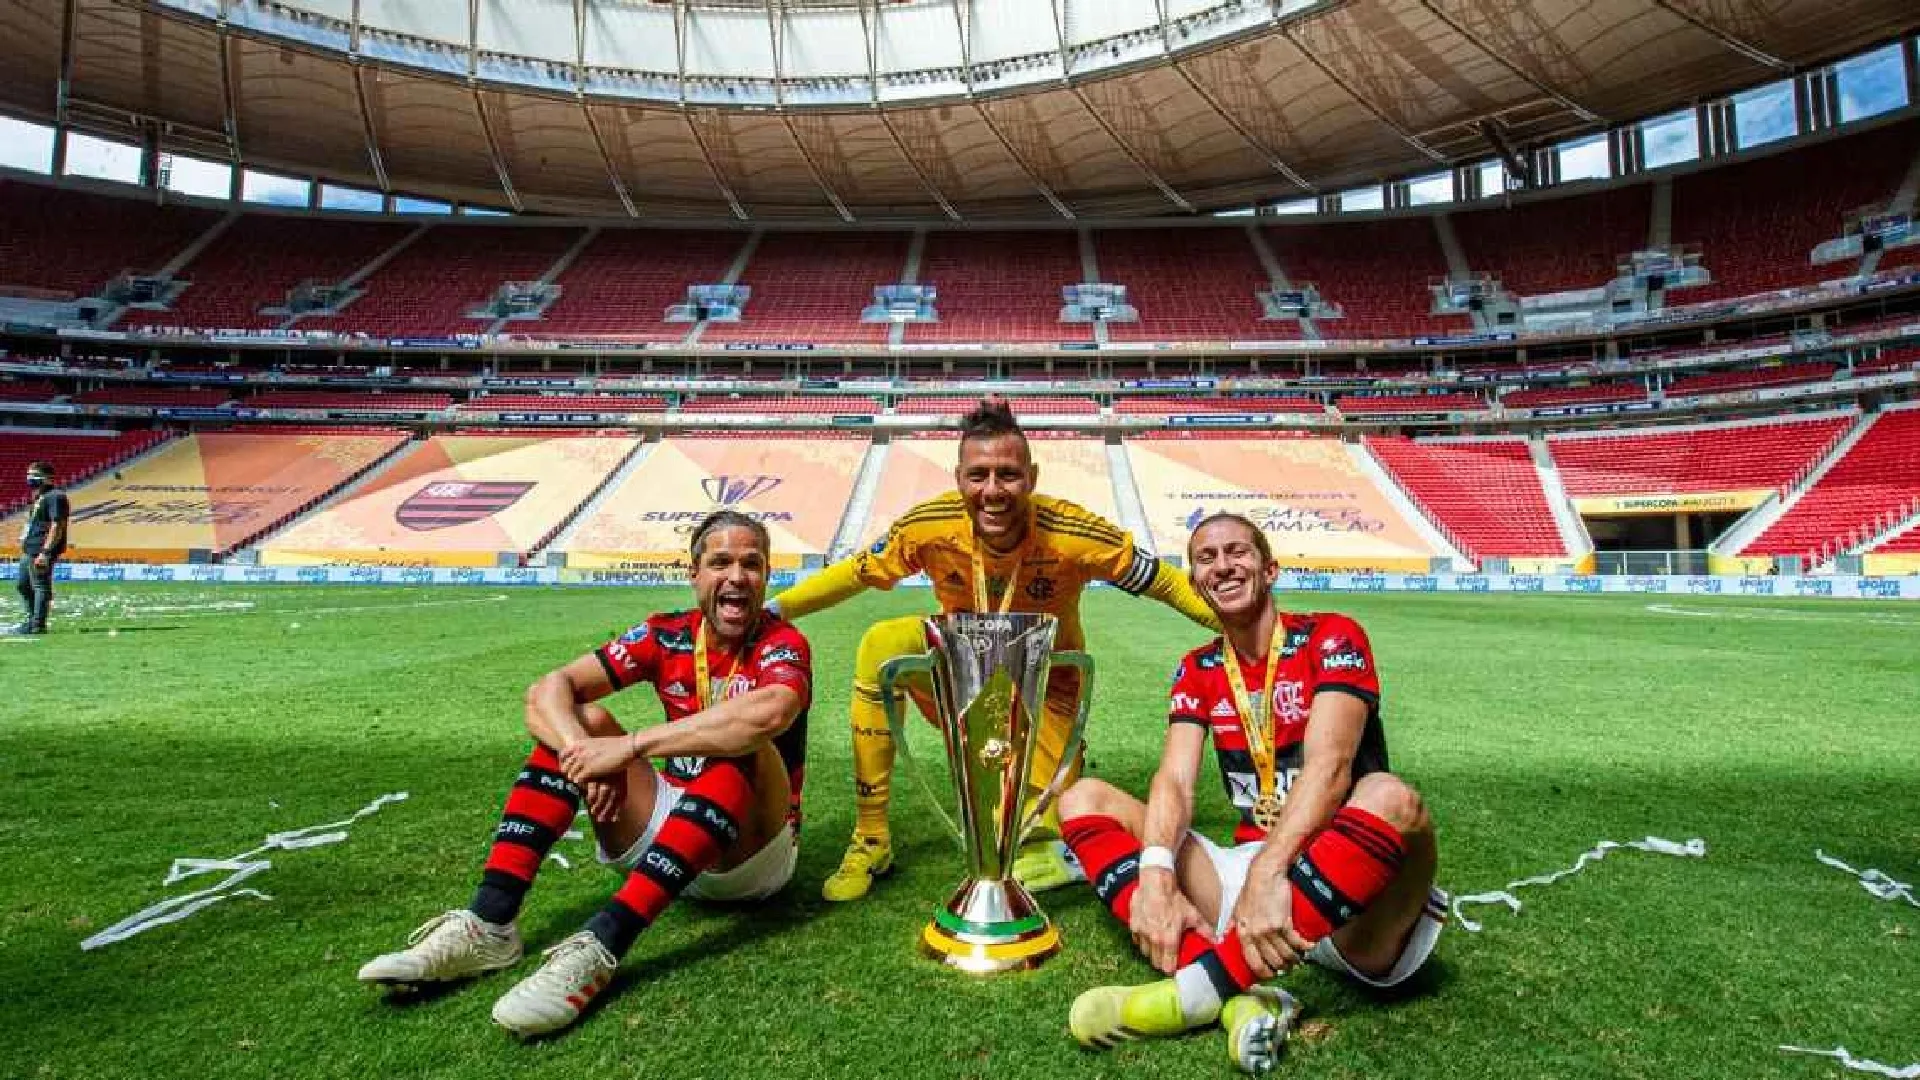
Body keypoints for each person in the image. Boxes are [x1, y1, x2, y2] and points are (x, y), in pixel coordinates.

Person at [357, 510, 812, 1038]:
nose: (736, 577)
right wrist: (582, 752)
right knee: (581, 721)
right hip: (675, 838)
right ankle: (490, 924)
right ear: (694, 574)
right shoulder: (665, 634)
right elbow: (546, 691)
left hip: (750, 858)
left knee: (743, 746)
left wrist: (629, 747)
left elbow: (770, 714)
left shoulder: (783, 643)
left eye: (751, 565)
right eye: (720, 563)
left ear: (767, 576)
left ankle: (601, 946)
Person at [768, 397, 1220, 902]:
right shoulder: (929, 525)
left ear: (1032, 476)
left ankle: (1054, 773)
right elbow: (854, 572)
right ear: (958, 477)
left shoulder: (1075, 533)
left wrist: (1243, 621)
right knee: (883, 645)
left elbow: (1165, 582)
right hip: (960, 673)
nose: (992, 491)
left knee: (1044, 831)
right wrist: (776, 611)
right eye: (977, 475)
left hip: (1045, 691)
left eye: (1007, 475)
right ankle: (871, 837)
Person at [1060, 512, 1443, 1074]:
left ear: (1269, 568)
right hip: (1246, 892)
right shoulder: (1198, 668)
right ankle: (1245, 999)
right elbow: (1174, 781)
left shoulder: (1331, 636)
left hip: (1348, 897)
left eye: (1236, 552)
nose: (1223, 566)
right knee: (1084, 798)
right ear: (1194, 582)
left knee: (1388, 796)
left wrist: (1269, 873)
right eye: (1206, 558)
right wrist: (1156, 874)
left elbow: (1331, 767)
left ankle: (1193, 994)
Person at [9, 461, 68, 636]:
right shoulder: (38, 497)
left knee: (40, 586)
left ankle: (37, 624)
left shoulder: (56, 496)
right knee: (23, 585)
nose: (29, 478)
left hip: (41, 549)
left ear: (48, 478)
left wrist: (45, 552)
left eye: (34, 474)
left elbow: (57, 526)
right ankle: (31, 620)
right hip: (30, 547)